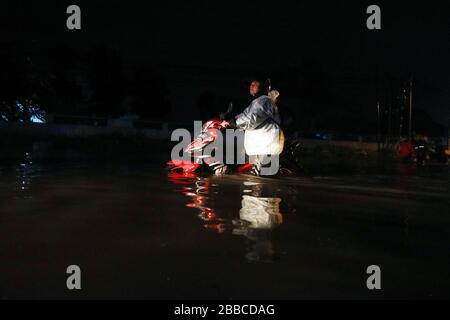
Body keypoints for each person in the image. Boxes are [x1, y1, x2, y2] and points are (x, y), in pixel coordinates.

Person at [222, 79, 284, 176]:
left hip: (265, 148)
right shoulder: (257, 102)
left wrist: (233, 122)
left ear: (263, 87)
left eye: (255, 84)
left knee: (259, 184)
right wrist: (231, 120)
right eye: (251, 84)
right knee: (251, 181)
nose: (251, 86)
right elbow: (245, 115)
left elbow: (252, 119)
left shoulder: (264, 101)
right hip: (259, 148)